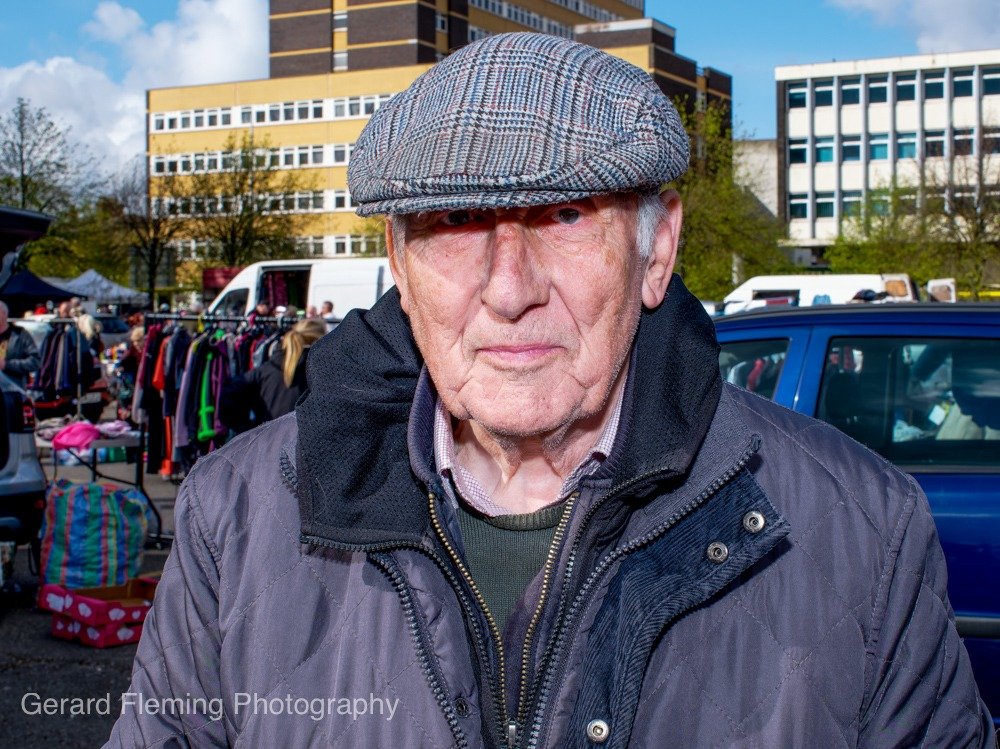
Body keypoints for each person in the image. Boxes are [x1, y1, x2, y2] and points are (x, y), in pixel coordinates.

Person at [108, 34, 992, 747]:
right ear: (398, 265)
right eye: (456, 221)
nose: (509, 287)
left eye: (566, 214)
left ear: (657, 249)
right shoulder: (238, 517)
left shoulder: (863, 531)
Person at [219, 318, 326, 432]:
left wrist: (250, 431)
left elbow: (228, 397)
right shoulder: (319, 372)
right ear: (318, 340)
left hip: (269, 440)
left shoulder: (267, 369)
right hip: (301, 441)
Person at [0, 300, 40, 389]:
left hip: (12, 390)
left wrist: (7, 364)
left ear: (5, 314)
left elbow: (35, 362)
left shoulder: (20, 335)